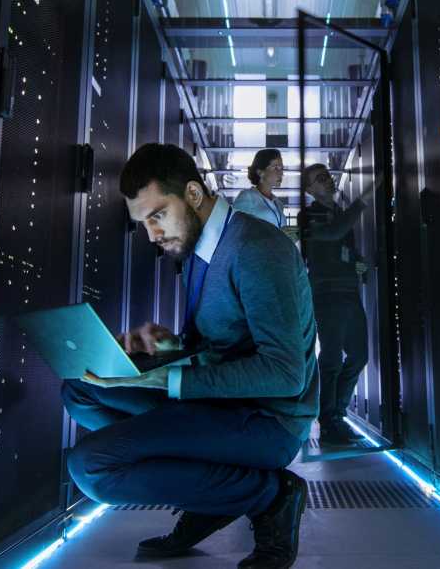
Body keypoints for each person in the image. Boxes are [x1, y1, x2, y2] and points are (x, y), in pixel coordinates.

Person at [61, 143, 318, 569]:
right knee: (80, 388)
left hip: (267, 421)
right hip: (220, 403)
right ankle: (212, 491)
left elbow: (286, 373)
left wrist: (165, 380)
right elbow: (217, 347)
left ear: (194, 195)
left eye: (157, 215)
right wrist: (165, 348)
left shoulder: (257, 248)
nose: (152, 235)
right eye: (144, 223)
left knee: (91, 468)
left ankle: (269, 496)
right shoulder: (200, 249)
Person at [298, 163, 379, 446]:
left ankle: (337, 414)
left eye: (328, 176)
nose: (329, 181)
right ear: (309, 189)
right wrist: (362, 202)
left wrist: (360, 264)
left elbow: (346, 248)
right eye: (320, 179)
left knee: (359, 356)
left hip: (348, 292)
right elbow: (332, 233)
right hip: (326, 294)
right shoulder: (308, 215)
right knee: (331, 358)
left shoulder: (339, 214)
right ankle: (329, 420)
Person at [233, 149, 298, 240]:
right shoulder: (247, 196)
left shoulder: (278, 203)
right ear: (260, 172)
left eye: (281, 168)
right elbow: (235, 231)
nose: (281, 173)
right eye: (276, 168)